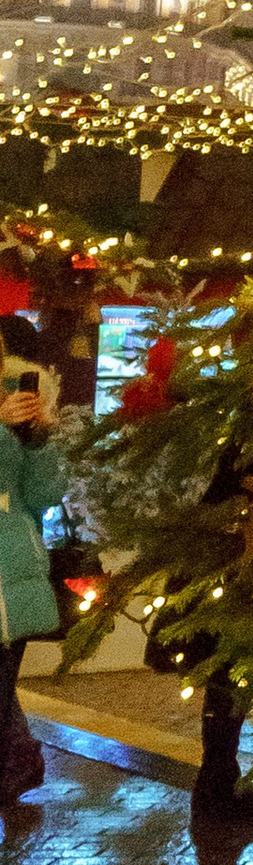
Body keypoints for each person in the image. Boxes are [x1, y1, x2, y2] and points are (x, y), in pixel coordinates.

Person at [1, 315, 71, 798]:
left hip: (14, 568)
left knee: (4, 687)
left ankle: (14, 766)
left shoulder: (15, 391)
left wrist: (43, 441)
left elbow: (42, 493)